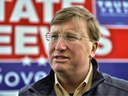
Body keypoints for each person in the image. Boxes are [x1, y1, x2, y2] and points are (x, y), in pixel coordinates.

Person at [18, 6, 128, 96]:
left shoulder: (123, 92)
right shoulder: (27, 94)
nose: (58, 46)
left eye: (70, 37)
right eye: (54, 36)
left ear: (93, 48)